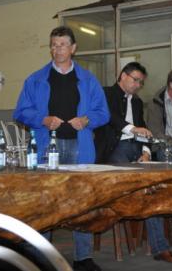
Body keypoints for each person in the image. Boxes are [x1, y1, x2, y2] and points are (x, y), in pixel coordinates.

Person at [13, 26, 109, 271]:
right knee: (46, 202)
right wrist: (43, 120)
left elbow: (103, 112)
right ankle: (42, 257)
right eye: (54, 45)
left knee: (82, 202)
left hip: (81, 146)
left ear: (73, 48)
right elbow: (21, 112)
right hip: (48, 147)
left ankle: (83, 257)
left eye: (63, 45)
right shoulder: (35, 79)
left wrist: (87, 120)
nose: (58, 50)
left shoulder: (88, 80)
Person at [99, 62, 172, 263]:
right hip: (114, 150)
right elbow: (109, 117)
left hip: (136, 150)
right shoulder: (106, 93)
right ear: (123, 76)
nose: (138, 85)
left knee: (153, 188)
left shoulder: (136, 102)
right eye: (135, 80)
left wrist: (146, 152)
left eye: (141, 82)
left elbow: (145, 129)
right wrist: (132, 129)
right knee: (141, 189)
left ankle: (160, 248)